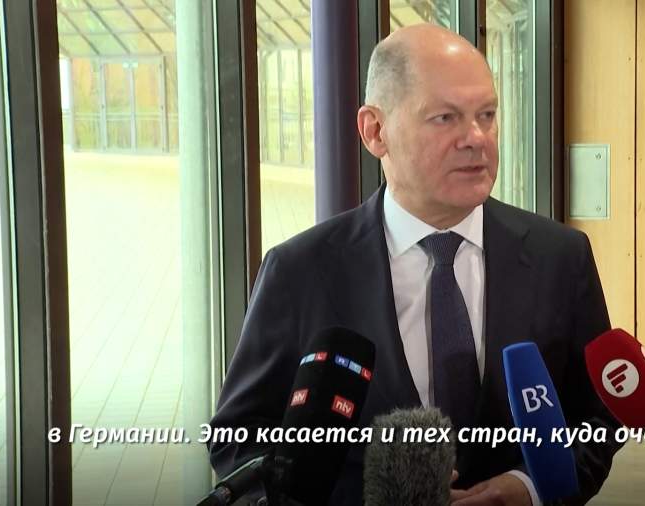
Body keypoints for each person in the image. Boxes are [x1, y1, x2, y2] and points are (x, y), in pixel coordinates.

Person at [209, 23, 622, 505]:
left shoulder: (562, 257)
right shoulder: (300, 272)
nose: (476, 138)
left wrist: (530, 488)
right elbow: (237, 441)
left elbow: (599, 417)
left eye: (487, 115)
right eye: (445, 118)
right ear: (375, 131)